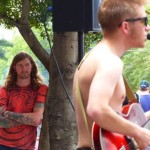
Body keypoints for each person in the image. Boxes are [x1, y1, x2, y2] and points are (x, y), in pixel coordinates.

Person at [73, 0, 150, 150]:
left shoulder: (93, 57)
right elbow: (96, 109)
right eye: (144, 21)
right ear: (126, 26)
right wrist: (138, 132)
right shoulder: (110, 61)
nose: (147, 27)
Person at [0, 52, 48, 150]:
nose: (24, 69)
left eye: (27, 65)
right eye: (20, 65)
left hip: (26, 145)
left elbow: (35, 119)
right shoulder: (5, 89)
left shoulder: (41, 89)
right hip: (2, 144)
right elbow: (1, 122)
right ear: (14, 67)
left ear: (32, 66)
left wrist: (7, 113)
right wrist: (29, 119)